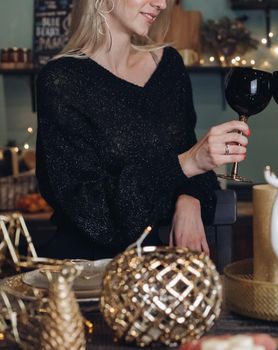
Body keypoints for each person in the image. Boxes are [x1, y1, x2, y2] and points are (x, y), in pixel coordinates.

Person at [36, 0, 249, 259]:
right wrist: (184, 165)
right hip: (90, 273)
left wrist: (190, 200)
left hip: (166, 269)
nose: (160, 4)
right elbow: (88, 210)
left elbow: (196, 168)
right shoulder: (60, 80)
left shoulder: (169, 65)